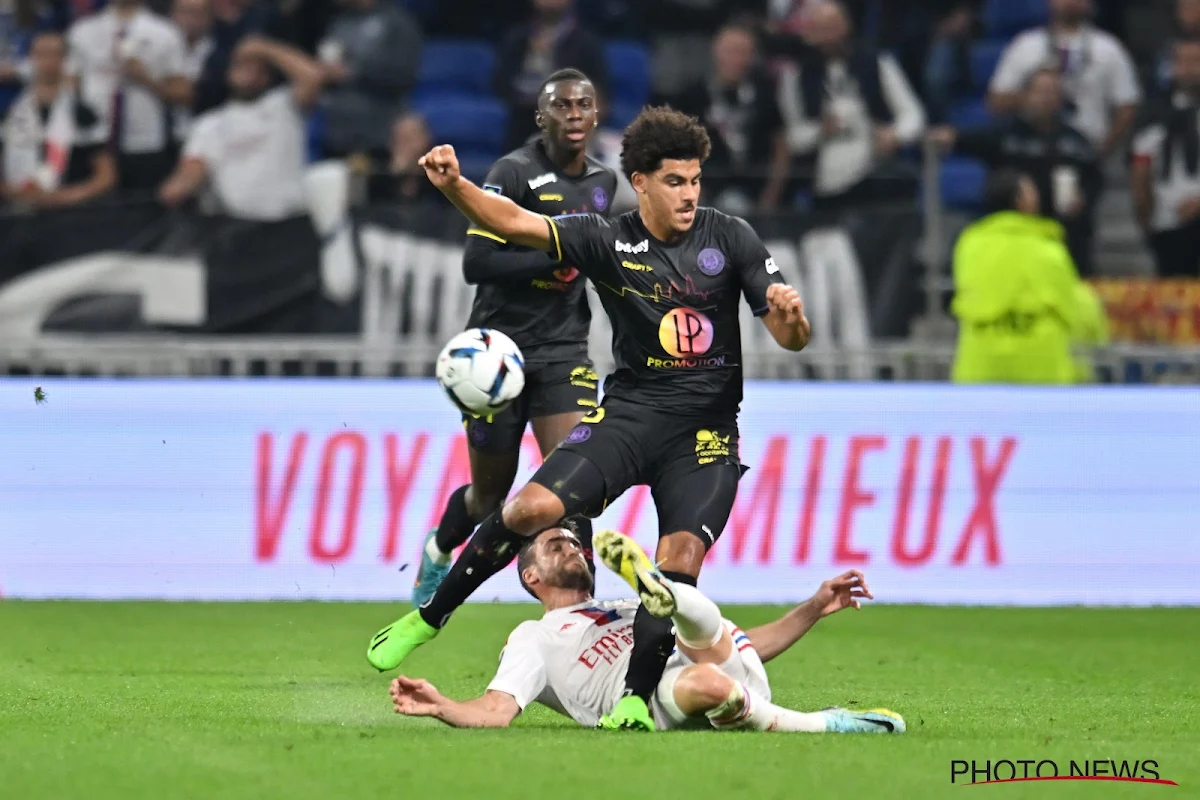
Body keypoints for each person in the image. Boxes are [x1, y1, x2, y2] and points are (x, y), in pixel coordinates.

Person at [368, 105, 811, 733]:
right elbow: (515, 222)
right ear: (642, 182)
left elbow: (791, 335)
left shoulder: (731, 237)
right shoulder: (607, 237)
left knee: (675, 568)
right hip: (631, 415)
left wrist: (792, 319)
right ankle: (429, 615)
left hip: (705, 433)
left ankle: (634, 697)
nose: (689, 194)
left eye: (695, 180)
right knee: (526, 511)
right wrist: (455, 187)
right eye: (675, 181)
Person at [411, 68, 619, 606]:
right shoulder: (514, 172)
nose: (574, 115)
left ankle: (582, 614)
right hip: (499, 356)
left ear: (596, 115)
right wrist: (554, 255)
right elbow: (477, 263)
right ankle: (439, 549)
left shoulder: (603, 184)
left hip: (565, 351)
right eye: (562, 106)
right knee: (489, 498)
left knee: (574, 490)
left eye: (583, 105)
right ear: (540, 116)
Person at [390, 527, 905, 734]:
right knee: (705, 676)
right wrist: (442, 706)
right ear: (532, 577)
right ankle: (827, 724)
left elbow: (750, 647)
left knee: (708, 626)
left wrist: (813, 607)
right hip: (656, 702)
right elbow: (498, 710)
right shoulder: (533, 636)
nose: (572, 546)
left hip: (728, 672)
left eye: (575, 541)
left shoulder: (619, 606)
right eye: (556, 546)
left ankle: (667, 591)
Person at [928, 68, 1103, 275]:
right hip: (1013, 235)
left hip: (1063, 234)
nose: (1046, 98)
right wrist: (945, 136)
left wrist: (1084, 198)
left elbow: (1095, 179)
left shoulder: (1076, 141)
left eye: (1053, 92)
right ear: (1026, 96)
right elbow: (963, 139)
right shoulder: (1005, 134)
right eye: (1040, 91)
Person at [950, 168, 1107, 384]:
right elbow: (1073, 308)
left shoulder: (969, 245)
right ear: (1021, 200)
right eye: (1031, 191)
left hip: (978, 365)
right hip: (1040, 369)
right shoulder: (1046, 249)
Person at [158, 36, 321, 220]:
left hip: (291, 223)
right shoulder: (209, 124)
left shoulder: (284, 105)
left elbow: (312, 76)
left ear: (266, 77)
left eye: (254, 66)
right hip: (235, 228)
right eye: (240, 65)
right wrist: (179, 186)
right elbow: (194, 167)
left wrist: (263, 48)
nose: (246, 70)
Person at [986, 0, 1139, 158]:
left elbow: (1127, 106)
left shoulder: (1109, 48)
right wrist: (1033, 98)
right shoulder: (1025, 45)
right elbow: (996, 102)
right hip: (1033, 151)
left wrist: (1104, 150)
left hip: (1091, 148)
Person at [1, 31, 117, 210]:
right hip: (19, 214)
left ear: (65, 60)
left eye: (55, 54)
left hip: (69, 215)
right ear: (31, 58)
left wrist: (70, 196)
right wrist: (13, 192)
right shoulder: (9, 113)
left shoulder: (84, 113)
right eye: (42, 54)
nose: (49, 61)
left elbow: (106, 175)